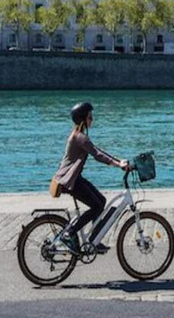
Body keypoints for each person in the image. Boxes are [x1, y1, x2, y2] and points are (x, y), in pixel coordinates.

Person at [53, 102, 128, 253]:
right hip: (69, 181)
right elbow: (97, 155)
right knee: (96, 206)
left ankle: (95, 239)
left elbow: (98, 150)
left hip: (73, 179)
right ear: (82, 119)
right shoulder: (79, 137)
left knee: (101, 201)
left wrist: (119, 161)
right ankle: (69, 234)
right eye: (90, 117)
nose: (92, 120)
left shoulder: (80, 136)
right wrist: (118, 164)